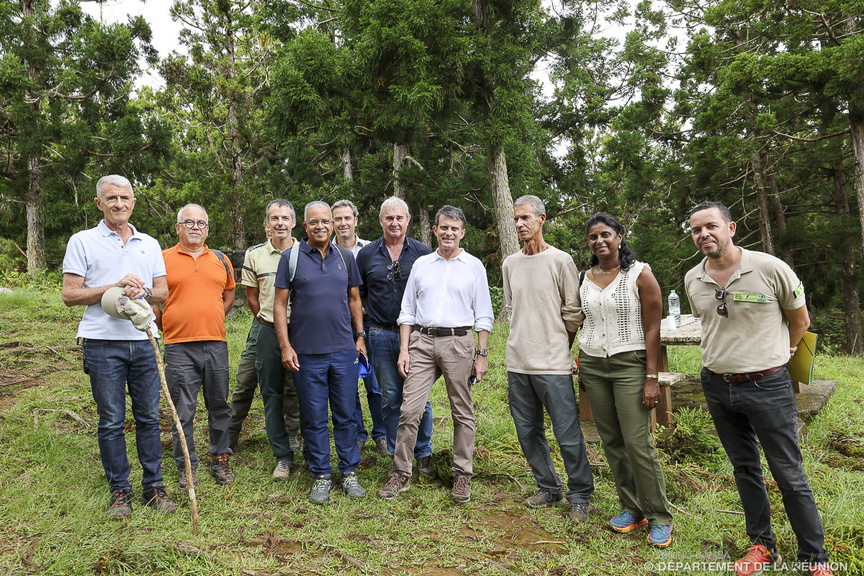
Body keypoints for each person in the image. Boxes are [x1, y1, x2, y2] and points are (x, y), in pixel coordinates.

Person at [685, 201, 832, 576]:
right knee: (744, 467)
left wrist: (781, 354)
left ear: (731, 228)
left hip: (768, 386)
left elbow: (799, 319)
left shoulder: (769, 268)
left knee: (788, 473)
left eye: (711, 226)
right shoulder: (692, 278)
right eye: (697, 229)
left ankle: (814, 559)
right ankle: (762, 546)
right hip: (717, 386)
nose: (704, 234)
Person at [61, 174, 176, 518]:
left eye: (125, 198)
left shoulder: (149, 243)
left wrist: (143, 292)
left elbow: (163, 293)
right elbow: (70, 294)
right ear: (99, 203)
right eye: (111, 198)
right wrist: (113, 286)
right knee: (111, 420)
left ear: (133, 202)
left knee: (148, 418)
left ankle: (153, 487)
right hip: (101, 343)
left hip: (144, 340)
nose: (119, 204)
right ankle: (120, 491)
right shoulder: (83, 241)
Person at [378, 205, 494, 504]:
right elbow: (407, 311)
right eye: (443, 227)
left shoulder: (474, 266)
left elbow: (483, 315)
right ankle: (401, 473)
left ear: (462, 232)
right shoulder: (422, 265)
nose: (448, 233)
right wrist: (404, 349)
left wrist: (481, 355)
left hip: (458, 342)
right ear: (434, 230)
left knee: (462, 411)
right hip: (422, 341)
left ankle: (462, 475)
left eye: (454, 228)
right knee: (410, 409)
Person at [577, 212, 673, 546]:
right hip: (593, 365)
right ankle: (632, 509)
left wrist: (651, 377)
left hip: (630, 364)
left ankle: (660, 516)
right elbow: (583, 321)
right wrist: (581, 365)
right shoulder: (584, 277)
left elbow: (652, 328)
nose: (599, 241)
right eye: (593, 237)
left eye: (605, 234)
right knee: (611, 441)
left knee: (637, 442)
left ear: (619, 236)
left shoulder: (639, 274)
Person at [501, 195, 595, 524]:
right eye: (515, 219)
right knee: (528, 432)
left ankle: (580, 493)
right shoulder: (510, 264)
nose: (519, 225)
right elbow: (512, 310)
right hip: (517, 362)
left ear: (542, 219)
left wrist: (560, 347)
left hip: (553, 364)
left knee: (567, 433)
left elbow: (573, 312)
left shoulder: (561, 261)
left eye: (525, 218)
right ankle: (548, 486)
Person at [273, 201, 368, 504]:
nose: (320, 227)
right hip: (307, 354)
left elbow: (354, 299)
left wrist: (360, 337)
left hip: (342, 351)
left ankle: (349, 471)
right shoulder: (291, 258)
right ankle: (322, 475)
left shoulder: (345, 257)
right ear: (305, 227)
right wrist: (286, 346)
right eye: (314, 222)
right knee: (313, 417)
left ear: (332, 224)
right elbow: (279, 305)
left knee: (346, 414)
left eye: (325, 222)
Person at [157, 204, 236, 489]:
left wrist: (210, 319)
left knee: (219, 405)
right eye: (188, 222)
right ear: (177, 228)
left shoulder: (220, 259)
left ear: (207, 229)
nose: (194, 227)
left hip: (216, 343)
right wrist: (170, 323)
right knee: (183, 409)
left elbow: (228, 295)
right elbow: (155, 303)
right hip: (178, 346)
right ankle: (186, 465)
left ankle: (220, 457)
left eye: (200, 223)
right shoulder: (162, 259)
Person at [356, 197, 435, 475]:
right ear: (380, 221)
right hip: (379, 332)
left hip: (417, 336)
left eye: (399, 218)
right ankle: (397, 452)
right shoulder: (366, 255)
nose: (394, 223)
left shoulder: (423, 253)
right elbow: (358, 295)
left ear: (408, 219)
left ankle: (423, 452)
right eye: (389, 218)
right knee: (389, 396)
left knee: (419, 398)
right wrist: (362, 334)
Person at [240, 199, 304, 480]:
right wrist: (269, 322)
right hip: (268, 330)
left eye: (285, 217)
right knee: (271, 393)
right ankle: (282, 455)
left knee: (305, 390)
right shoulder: (254, 255)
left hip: (304, 331)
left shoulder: (307, 252)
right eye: (274, 218)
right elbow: (252, 297)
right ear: (267, 224)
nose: (280, 222)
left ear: (293, 223)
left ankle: (306, 446)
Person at [332, 199, 388, 456]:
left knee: (374, 382)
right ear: (332, 223)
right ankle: (357, 434)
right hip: (337, 326)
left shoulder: (372, 249)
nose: (343, 223)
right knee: (346, 382)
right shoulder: (324, 250)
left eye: (347, 218)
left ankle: (382, 433)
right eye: (338, 219)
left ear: (356, 220)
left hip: (369, 321)